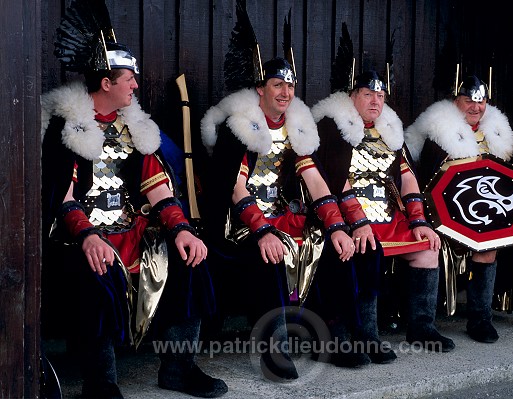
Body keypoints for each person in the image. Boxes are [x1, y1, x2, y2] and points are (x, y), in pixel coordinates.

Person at [41, 1, 227, 397]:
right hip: (80, 235)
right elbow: (63, 197)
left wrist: (181, 228)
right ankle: (100, 381)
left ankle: (179, 367)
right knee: (97, 273)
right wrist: (88, 236)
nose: (136, 86)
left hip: (133, 230)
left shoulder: (135, 128)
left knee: (190, 259)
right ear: (106, 82)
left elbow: (157, 187)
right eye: (129, 78)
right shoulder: (66, 128)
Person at [198, 56, 356, 381]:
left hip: (281, 216)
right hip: (240, 222)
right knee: (271, 254)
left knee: (328, 242)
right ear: (260, 89)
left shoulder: (295, 128)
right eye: (277, 84)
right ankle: (275, 349)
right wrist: (261, 230)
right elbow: (234, 188)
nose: (285, 92)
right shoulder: (239, 127)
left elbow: (314, 180)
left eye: (290, 85)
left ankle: (329, 333)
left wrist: (337, 226)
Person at [404, 74, 513, 343]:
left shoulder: (497, 134)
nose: (475, 107)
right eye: (469, 100)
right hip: (453, 215)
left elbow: (510, 182)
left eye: (480, 102)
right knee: (487, 243)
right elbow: (432, 187)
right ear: (456, 101)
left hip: (496, 211)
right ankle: (479, 319)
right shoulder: (438, 134)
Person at [312, 69, 456, 356]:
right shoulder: (335, 127)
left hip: (389, 215)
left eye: (380, 95)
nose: (375, 101)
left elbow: (408, 177)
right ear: (353, 96)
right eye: (368, 94)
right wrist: (359, 222)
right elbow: (338, 180)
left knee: (428, 246)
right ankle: (366, 334)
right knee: (368, 248)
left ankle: (422, 327)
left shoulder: (389, 130)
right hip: (348, 217)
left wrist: (418, 220)